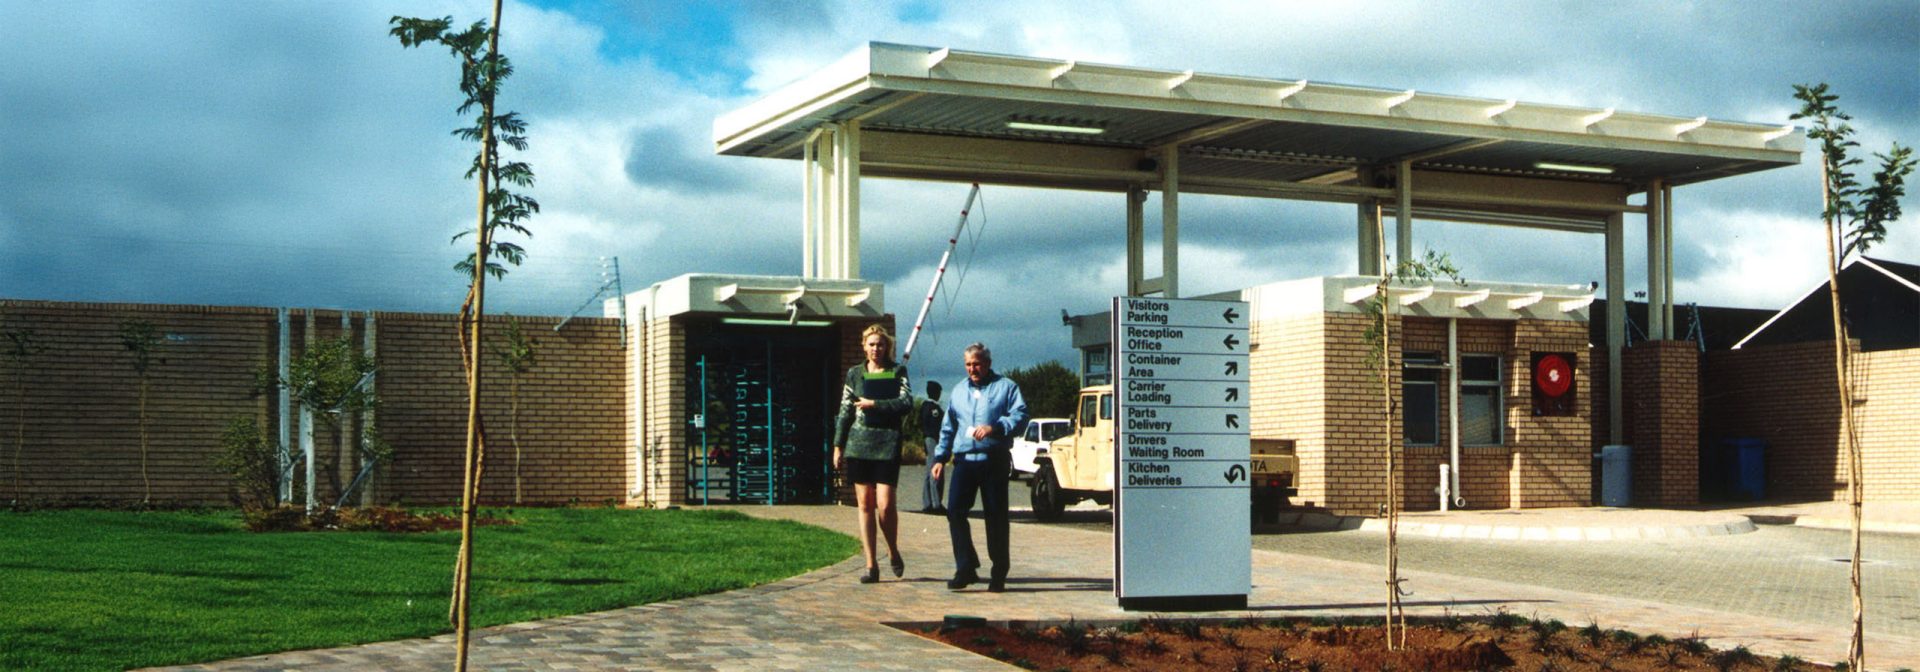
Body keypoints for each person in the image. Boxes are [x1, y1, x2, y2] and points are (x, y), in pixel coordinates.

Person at [930, 342, 1028, 592]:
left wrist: (995, 427)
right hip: (965, 461)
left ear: (988, 364)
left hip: (993, 460)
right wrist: (940, 458)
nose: (972, 369)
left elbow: (1020, 416)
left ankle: (999, 572)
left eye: (977, 364)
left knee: (995, 517)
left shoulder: (1006, 387)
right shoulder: (959, 391)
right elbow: (948, 426)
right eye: (968, 364)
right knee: (955, 512)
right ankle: (966, 567)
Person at [832, 324, 913, 584]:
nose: (876, 349)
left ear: (886, 346)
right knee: (865, 504)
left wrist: (875, 404)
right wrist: (838, 445)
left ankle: (893, 550)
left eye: (880, 344)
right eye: (871, 344)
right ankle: (870, 565)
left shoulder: (897, 371)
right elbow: (845, 410)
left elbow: (906, 402)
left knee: (886, 505)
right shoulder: (854, 374)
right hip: (859, 444)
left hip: (887, 444)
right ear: (864, 346)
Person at [918, 380, 946, 514]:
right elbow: (933, 426)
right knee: (934, 470)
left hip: (931, 439)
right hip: (933, 439)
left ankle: (928, 502)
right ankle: (935, 504)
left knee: (930, 471)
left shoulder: (927, 406)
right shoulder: (932, 408)